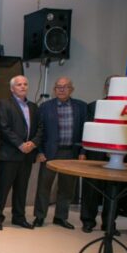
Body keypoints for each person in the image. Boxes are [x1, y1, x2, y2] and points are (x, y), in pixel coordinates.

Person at [32, 77, 87, 229]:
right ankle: (39, 216)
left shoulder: (81, 107)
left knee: (67, 188)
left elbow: (85, 131)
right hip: (49, 154)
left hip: (71, 154)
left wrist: (83, 151)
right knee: (44, 186)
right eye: (58, 87)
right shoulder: (45, 107)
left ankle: (61, 217)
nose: (61, 89)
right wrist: (39, 151)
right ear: (54, 89)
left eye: (65, 87)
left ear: (72, 89)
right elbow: (39, 131)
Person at [0, 75, 42, 230]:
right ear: (12, 88)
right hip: (10, 153)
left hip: (27, 154)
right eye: (19, 84)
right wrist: (20, 144)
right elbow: (4, 127)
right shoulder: (4, 104)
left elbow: (40, 128)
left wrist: (33, 143)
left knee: (22, 188)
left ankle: (19, 217)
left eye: (25, 84)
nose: (23, 87)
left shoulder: (33, 107)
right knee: (3, 188)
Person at [80, 75, 117, 233]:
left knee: (113, 190)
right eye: (111, 85)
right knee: (91, 189)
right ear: (106, 88)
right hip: (96, 154)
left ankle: (109, 223)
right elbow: (86, 130)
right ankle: (88, 221)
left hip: (118, 156)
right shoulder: (94, 106)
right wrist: (83, 152)